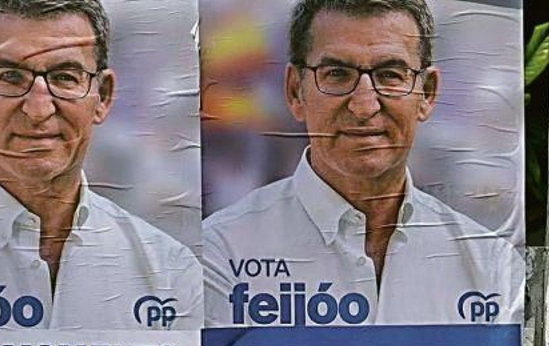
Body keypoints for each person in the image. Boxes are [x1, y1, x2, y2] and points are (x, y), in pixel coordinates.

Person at [0, 0, 202, 331]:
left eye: (64, 77)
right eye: (10, 77)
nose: (38, 109)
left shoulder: (169, 274)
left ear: (102, 96)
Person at [203, 0, 524, 325]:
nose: (364, 106)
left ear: (427, 94)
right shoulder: (221, 254)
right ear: (295, 91)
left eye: (390, 75)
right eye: (337, 75)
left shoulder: (491, 268)